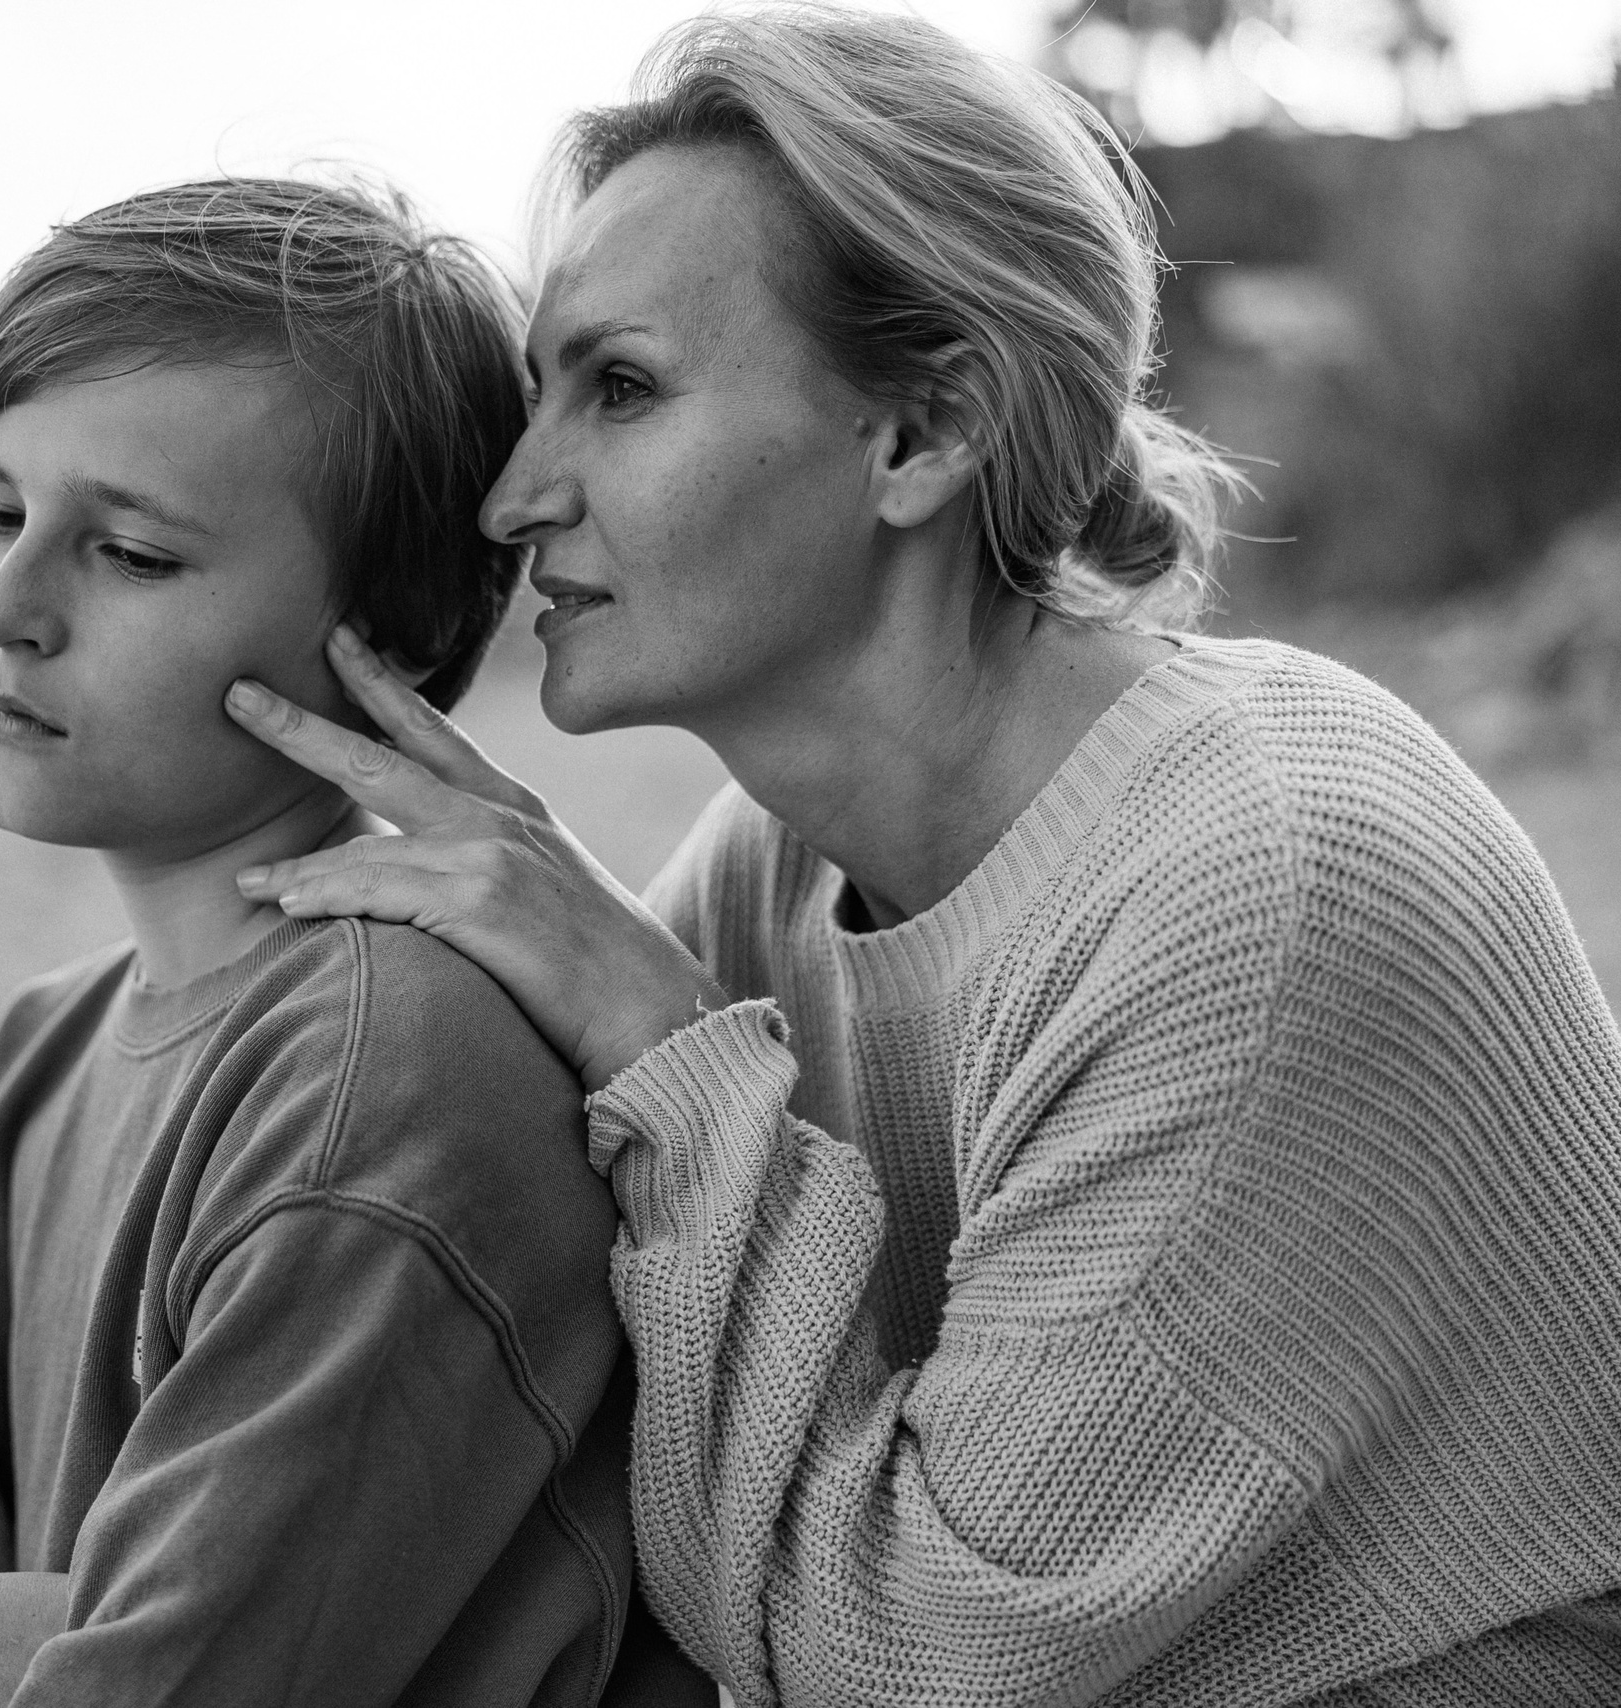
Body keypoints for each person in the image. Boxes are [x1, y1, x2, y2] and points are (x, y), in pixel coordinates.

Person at [225, 7, 1621, 1704]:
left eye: (623, 389)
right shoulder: (779, 862)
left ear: (921, 436)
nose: (515, 497)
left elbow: (907, 1660)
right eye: (539, 395)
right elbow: (547, 1301)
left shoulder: (1257, 892)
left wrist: (663, 1034)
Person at [0, 177, 711, 1708]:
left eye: (133, 554)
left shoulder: (383, 1081)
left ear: (398, 637)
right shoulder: (48, 1052)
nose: (5, 609)